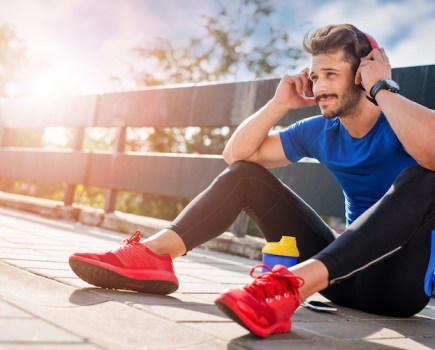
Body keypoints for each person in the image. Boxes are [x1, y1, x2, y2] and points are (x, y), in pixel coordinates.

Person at [69, 23, 435, 338]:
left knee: (426, 177)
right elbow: (236, 155)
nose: (318, 87)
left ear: (362, 74)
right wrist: (278, 105)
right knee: (246, 175)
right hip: (339, 280)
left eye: (330, 75)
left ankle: (289, 287)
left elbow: (431, 154)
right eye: (314, 76)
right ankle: (156, 254)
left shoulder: (403, 120)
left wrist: (383, 87)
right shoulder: (321, 130)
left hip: (397, 288)